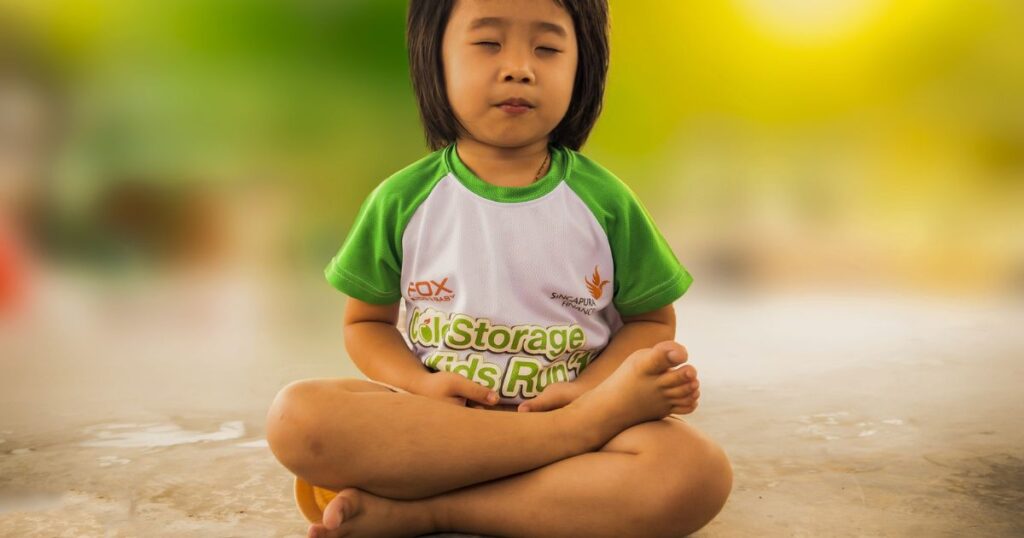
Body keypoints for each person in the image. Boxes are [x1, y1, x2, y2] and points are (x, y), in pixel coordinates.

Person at [266, 0, 733, 536]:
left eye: (549, 48)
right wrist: (420, 384)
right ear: (433, 60)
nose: (519, 67)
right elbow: (365, 324)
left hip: (565, 410)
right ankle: (564, 444)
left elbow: (650, 322)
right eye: (488, 43)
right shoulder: (402, 199)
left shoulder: (607, 203)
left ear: (584, 68)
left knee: (695, 472)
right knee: (296, 417)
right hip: (443, 432)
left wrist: (590, 392)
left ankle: (428, 511)